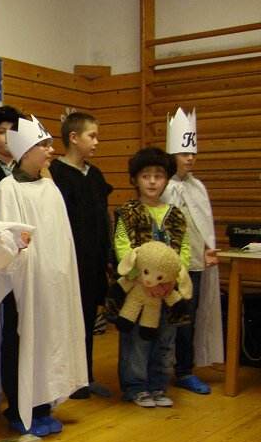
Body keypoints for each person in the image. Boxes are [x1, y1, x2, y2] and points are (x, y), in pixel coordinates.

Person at [0, 115, 88, 437]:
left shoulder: (50, 187)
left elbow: (62, 237)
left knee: (48, 340)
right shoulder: (9, 188)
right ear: (26, 150)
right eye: (43, 145)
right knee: (21, 340)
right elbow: (8, 239)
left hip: (52, 283)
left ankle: (42, 403)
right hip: (24, 284)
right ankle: (20, 406)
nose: (50, 150)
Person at [109, 147, 190, 408]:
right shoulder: (127, 212)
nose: (153, 182)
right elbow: (122, 247)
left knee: (165, 339)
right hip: (138, 290)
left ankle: (158, 384)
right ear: (135, 179)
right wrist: (141, 277)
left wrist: (172, 279)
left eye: (159, 176)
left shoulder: (176, 214)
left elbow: (184, 248)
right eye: (146, 176)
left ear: (166, 179)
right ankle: (135, 386)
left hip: (168, 291)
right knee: (137, 339)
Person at [49, 112, 113, 399]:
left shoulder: (95, 175)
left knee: (87, 319)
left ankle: (85, 375)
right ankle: (65, 380)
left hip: (92, 262)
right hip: (68, 260)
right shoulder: (56, 174)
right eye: (92, 136)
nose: (96, 142)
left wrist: (107, 255)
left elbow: (103, 218)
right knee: (66, 322)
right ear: (74, 138)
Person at [161, 108, 223, 395]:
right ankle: (160, 369)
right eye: (184, 153)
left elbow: (203, 224)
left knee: (188, 320)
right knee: (168, 319)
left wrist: (208, 249)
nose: (190, 158)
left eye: (192, 154)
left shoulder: (198, 187)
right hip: (170, 266)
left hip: (195, 265)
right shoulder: (165, 187)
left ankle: (185, 369)